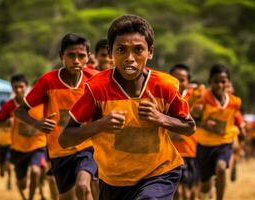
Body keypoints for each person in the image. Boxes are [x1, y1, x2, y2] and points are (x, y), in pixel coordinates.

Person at [59, 15, 196, 200]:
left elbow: (189, 126)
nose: (130, 58)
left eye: (138, 50)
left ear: (150, 52)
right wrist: (100, 125)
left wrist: (160, 118)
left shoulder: (165, 86)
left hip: (159, 173)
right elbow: (65, 138)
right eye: (121, 50)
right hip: (113, 181)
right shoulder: (97, 88)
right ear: (110, 52)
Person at [15, 33, 98, 200]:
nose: (76, 60)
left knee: (84, 186)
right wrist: (37, 124)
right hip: (59, 151)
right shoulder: (48, 81)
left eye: (81, 56)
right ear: (62, 56)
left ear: (88, 57)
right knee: (66, 197)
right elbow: (20, 111)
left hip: (87, 147)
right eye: (71, 55)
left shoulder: (95, 79)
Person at [191, 64, 245, 200]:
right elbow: (190, 120)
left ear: (228, 83)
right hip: (204, 145)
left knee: (221, 169)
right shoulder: (202, 100)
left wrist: (241, 129)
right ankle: (204, 195)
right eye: (216, 81)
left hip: (224, 142)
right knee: (205, 186)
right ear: (210, 81)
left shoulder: (235, 102)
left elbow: (237, 118)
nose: (220, 85)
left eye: (223, 81)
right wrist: (204, 124)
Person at [0, 74, 47, 200]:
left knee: (35, 171)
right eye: (15, 87)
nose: (18, 90)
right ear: (12, 88)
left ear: (26, 87)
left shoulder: (38, 102)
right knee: (22, 185)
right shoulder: (8, 106)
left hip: (37, 146)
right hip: (18, 149)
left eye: (21, 87)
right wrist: (4, 123)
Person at [169, 64, 198, 200]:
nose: (178, 83)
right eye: (174, 78)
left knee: (188, 193)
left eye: (182, 80)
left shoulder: (197, 97)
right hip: (168, 153)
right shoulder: (162, 96)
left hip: (190, 151)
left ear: (188, 82)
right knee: (177, 193)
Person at [0, 100, 13, 190]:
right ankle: (1, 168)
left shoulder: (11, 118)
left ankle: (9, 181)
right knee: (1, 163)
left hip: (10, 144)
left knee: (8, 163)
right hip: (1, 144)